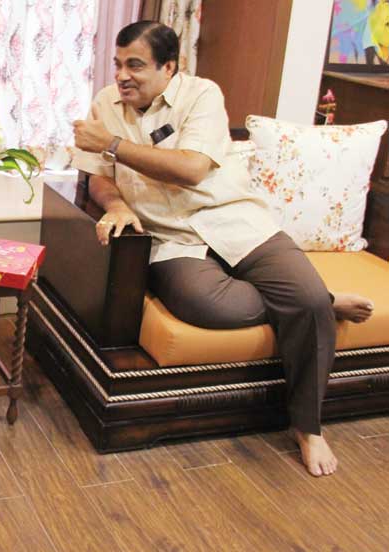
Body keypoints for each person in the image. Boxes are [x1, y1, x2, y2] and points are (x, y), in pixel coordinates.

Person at [72, 21, 374, 478]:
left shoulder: (202, 96)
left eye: (135, 65)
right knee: (214, 307)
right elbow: (99, 176)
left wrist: (113, 144)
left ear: (169, 67)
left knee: (307, 297)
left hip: (235, 219)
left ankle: (308, 426)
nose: (122, 76)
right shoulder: (105, 104)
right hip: (170, 236)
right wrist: (115, 204)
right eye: (117, 64)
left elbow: (191, 169)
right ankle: (320, 304)